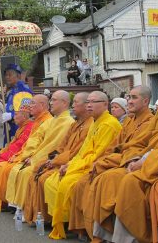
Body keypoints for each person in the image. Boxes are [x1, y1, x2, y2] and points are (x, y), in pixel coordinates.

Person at [92, 66, 158, 243]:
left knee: (129, 181)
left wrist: (143, 163)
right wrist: (134, 158)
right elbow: (143, 142)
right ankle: (105, 235)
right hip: (152, 161)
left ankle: (133, 238)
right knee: (107, 177)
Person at [68, 86, 153, 242]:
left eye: (134, 98)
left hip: (128, 162)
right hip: (117, 159)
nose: (129, 101)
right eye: (129, 97)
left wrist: (108, 160)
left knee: (104, 179)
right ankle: (86, 229)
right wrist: (104, 159)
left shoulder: (149, 122)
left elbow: (136, 148)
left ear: (146, 101)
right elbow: (114, 145)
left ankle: (104, 232)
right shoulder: (128, 121)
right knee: (83, 182)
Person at [44, 91, 122, 239]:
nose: (89, 105)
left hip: (97, 166)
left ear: (106, 105)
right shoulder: (95, 122)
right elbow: (83, 151)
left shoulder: (109, 124)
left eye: (93, 102)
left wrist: (72, 166)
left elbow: (97, 155)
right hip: (81, 163)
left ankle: (78, 226)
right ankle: (68, 223)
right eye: (88, 102)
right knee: (54, 180)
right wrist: (69, 164)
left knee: (68, 183)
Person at [23, 92, 94, 224]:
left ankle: (59, 219)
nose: (73, 106)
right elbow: (61, 146)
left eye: (76, 103)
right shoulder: (75, 124)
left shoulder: (83, 124)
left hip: (75, 163)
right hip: (61, 159)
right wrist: (50, 158)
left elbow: (78, 151)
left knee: (44, 177)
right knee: (37, 171)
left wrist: (55, 161)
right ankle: (40, 216)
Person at [5, 90, 75, 216]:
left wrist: (35, 159)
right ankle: (20, 206)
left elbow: (53, 146)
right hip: (38, 155)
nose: (51, 103)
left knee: (27, 172)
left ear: (64, 103)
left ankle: (32, 210)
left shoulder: (67, 122)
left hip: (52, 159)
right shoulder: (53, 121)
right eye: (51, 100)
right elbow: (38, 142)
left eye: (53, 100)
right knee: (17, 169)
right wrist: (29, 155)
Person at [0, 94, 52, 212]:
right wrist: (13, 155)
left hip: (37, 158)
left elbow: (47, 145)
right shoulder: (37, 121)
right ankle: (12, 203)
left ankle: (23, 206)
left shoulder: (48, 121)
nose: (30, 106)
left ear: (42, 105)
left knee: (15, 170)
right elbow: (24, 145)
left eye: (32, 104)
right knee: (4, 168)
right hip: (26, 155)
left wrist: (31, 158)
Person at [2, 64, 33, 141]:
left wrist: (11, 115)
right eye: (6, 75)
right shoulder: (11, 91)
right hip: (10, 128)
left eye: (10, 75)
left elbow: (26, 111)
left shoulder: (24, 89)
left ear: (18, 76)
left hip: (19, 128)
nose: (7, 77)